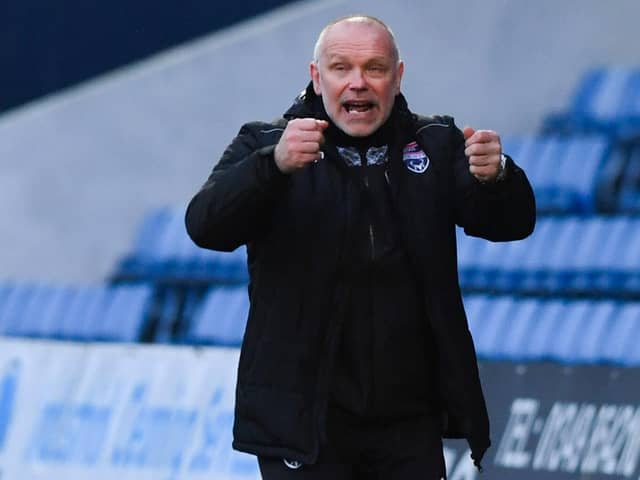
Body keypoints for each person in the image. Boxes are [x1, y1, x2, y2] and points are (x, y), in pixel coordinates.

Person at [186, 14, 535, 479]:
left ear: (398, 76)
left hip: (409, 418)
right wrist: (272, 167)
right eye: (341, 68)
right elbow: (206, 226)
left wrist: (499, 179)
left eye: (374, 68)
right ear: (316, 76)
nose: (358, 83)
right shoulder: (267, 143)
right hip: (307, 420)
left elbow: (510, 224)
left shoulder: (436, 144)